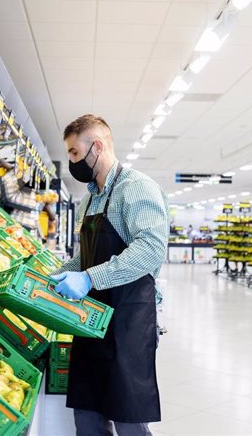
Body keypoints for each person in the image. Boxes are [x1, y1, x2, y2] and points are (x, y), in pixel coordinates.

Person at [51, 114, 169, 436]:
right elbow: (86, 256)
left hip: (127, 322)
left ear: (97, 147)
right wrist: (55, 276)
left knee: (128, 419)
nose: (72, 161)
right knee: (87, 416)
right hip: (89, 322)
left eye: (74, 153)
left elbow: (150, 249)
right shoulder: (90, 198)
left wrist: (90, 279)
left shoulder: (137, 189)